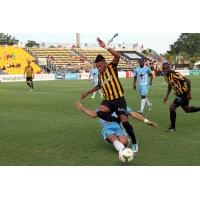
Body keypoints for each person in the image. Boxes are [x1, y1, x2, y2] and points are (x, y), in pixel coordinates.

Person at [80, 37, 138, 152]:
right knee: (100, 113)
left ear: (105, 63)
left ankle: (135, 142)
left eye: (100, 66)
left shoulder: (112, 67)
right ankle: (116, 121)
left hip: (119, 99)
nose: (99, 68)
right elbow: (99, 85)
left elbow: (117, 56)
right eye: (97, 67)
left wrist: (105, 46)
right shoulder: (101, 75)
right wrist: (87, 92)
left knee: (125, 123)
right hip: (109, 100)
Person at [75, 100, 157, 152]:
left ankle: (127, 141)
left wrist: (146, 121)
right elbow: (93, 114)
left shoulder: (120, 106)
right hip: (107, 128)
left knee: (123, 142)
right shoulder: (102, 108)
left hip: (119, 128)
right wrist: (82, 108)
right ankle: (123, 152)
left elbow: (133, 113)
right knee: (113, 138)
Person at [162, 61, 200, 132]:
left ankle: (172, 128)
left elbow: (188, 81)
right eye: (164, 68)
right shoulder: (166, 77)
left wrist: (188, 93)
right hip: (179, 95)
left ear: (169, 68)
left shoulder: (175, 74)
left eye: (166, 68)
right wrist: (166, 96)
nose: (165, 70)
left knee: (172, 108)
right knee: (187, 110)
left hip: (183, 94)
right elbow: (170, 86)